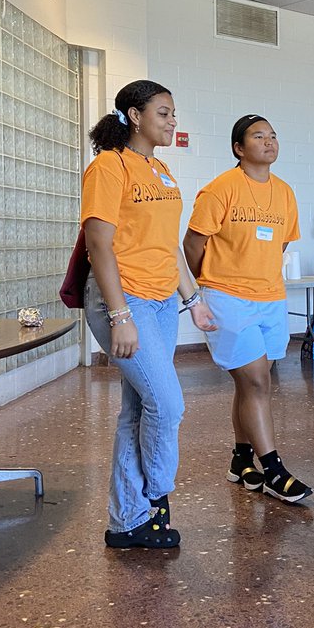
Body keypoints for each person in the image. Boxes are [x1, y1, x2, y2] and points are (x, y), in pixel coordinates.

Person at [81, 79, 215, 550]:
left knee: (137, 409)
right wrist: (120, 316)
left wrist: (192, 300)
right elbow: (99, 244)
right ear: (135, 116)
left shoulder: (160, 171)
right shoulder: (109, 166)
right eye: (163, 112)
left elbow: (169, 247)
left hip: (160, 302)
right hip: (124, 299)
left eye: (174, 112)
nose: (172, 120)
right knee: (168, 404)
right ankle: (156, 499)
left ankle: (127, 522)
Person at [183, 115, 312, 504]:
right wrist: (205, 288)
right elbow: (192, 244)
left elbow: (280, 245)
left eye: (273, 135)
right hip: (227, 296)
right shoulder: (220, 189)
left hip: (270, 298)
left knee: (253, 382)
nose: (269, 141)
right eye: (259, 136)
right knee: (256, 381)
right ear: (239, 148)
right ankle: (273, 469)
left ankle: (240, 460)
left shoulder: (285, 192)